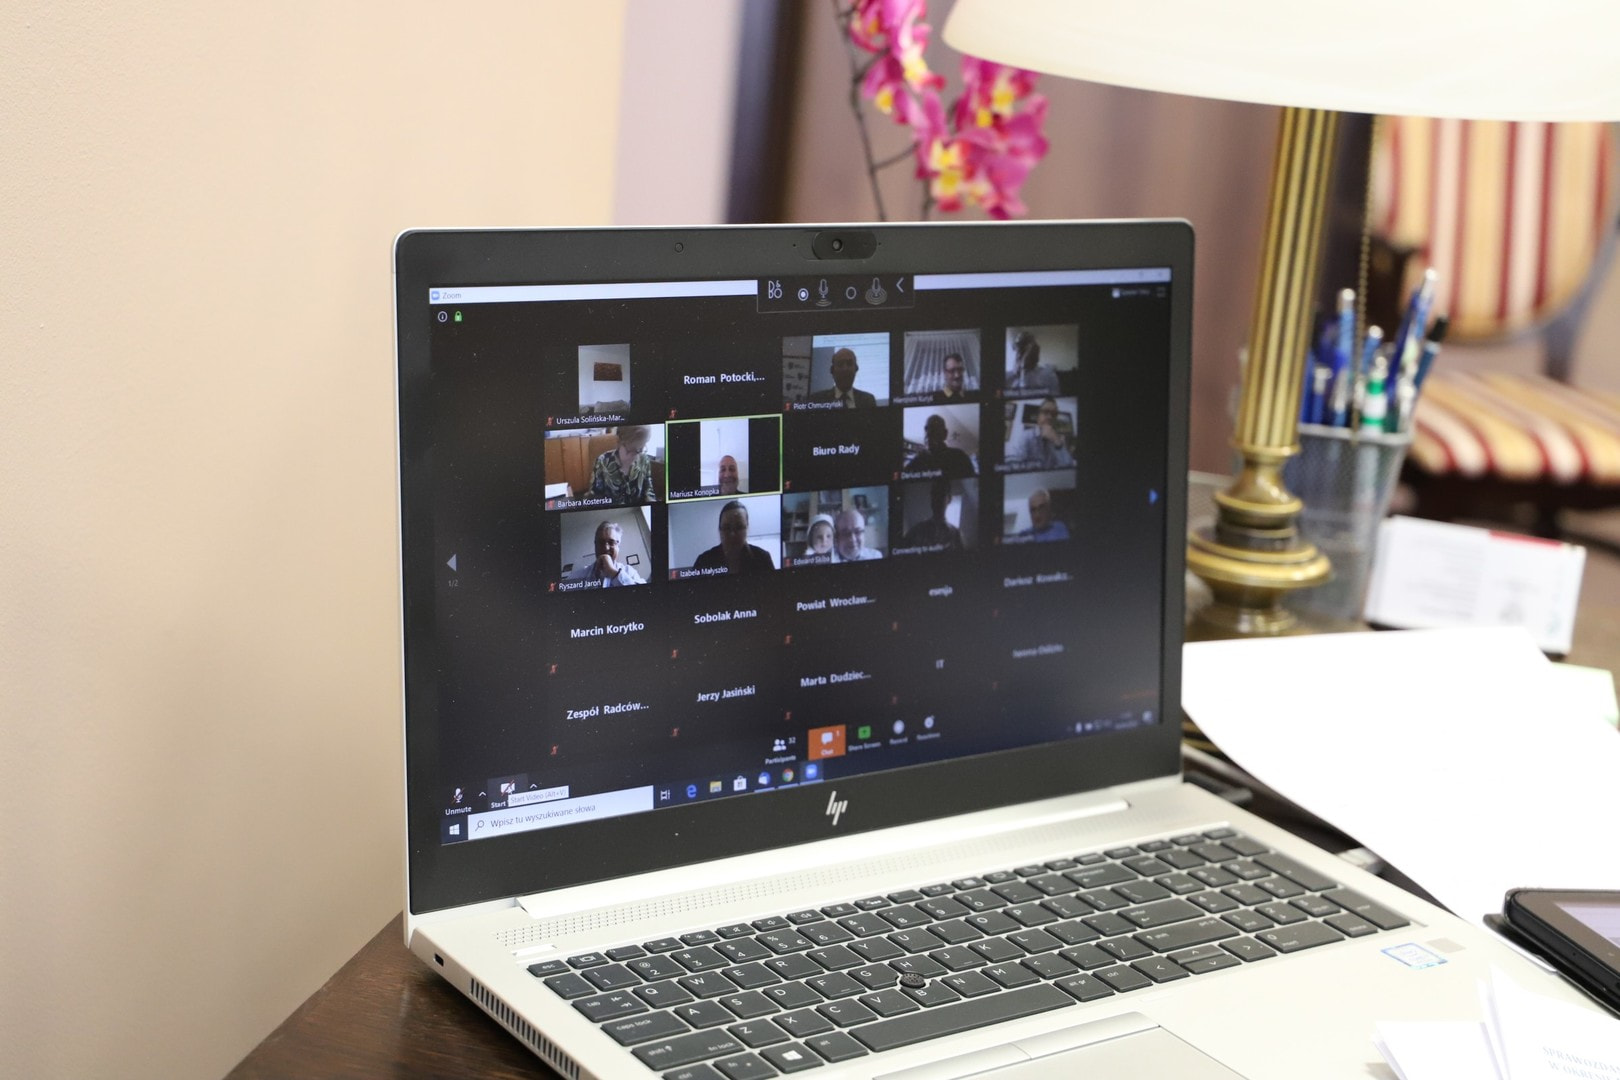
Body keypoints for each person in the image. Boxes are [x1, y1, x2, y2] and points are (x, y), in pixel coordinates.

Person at [692, 500, 776, 573]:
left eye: (739, 527)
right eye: (727, 528)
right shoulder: (703, 561)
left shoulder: (763, 558)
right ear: (719, 530)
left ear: (747, 528)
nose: (732, 534)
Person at [588, 425, 657, 504]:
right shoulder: (602, 461)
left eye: (640, 449)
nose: (636, 456)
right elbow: (595, 496)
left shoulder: (644, 460)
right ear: (620, 442)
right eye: (631, 450)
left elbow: (649, 491)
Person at [565, 520, 647, 585]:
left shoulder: (630, 572)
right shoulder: (576, 576)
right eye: (601, 542)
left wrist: (614, 573)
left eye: (611, 542)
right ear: (595, 545)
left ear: (618, 546)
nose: (606, 548)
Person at [1008, 398, 1075, 469]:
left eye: (1054, 414)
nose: (1050, 417)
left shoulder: (1057, 440)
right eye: (1046, 412)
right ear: (1038, 416)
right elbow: (1013, 466)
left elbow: (1069, 466)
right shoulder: (1025, 436)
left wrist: (1057, 443)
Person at [904, 414, 976, 477]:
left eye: (935, 428)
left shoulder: (959, 457)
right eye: (926, 429)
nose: (929, 433)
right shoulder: (918, 460)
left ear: (945, 434)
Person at [902, 479, 964, 551]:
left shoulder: (955, 534)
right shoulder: (916, 531)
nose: (937, 499)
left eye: (941, 495)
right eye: (934, 494)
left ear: (949, 499)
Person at [807, 347, 877, 408]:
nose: (845, 369)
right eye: (840, 364)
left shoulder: (868, 400)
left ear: (856, 369)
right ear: (832, 371)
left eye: (849, 363)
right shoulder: (816, 400)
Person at [1005, 330, 1060, 397]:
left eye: (1026, 350)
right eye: (1018, 350)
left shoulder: (1048, 375)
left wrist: (1024, 368)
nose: (1020, 354)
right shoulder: (1007, 376)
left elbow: (1055, 400)